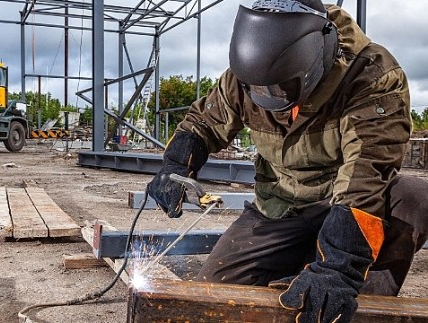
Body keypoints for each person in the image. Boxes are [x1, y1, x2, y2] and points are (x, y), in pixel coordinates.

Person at [147, 0, 428, 322]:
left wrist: (339, 267)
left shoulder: (372, 76)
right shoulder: (245, 77)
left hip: (343, 200)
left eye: (281, 89)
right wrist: (175, 166)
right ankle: (303, 260)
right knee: (215, 296)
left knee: (412, 197)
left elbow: (367, 174)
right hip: (280, 205)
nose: (271, 99)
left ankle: (358, 302)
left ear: (316, 59)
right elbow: (203, 123)